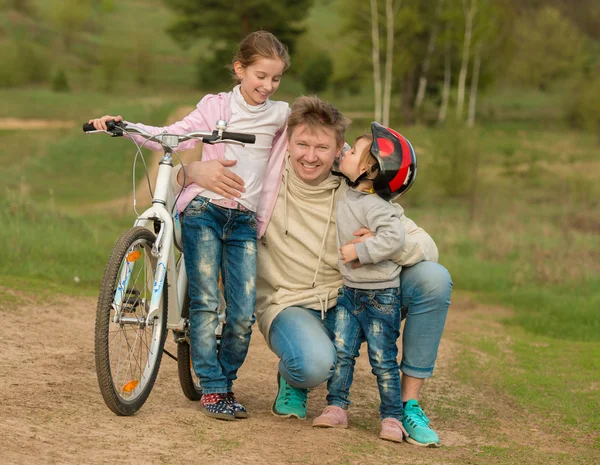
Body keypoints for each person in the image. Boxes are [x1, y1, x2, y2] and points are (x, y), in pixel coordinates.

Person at [174, 96, 452, 446]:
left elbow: (425, 244)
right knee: (314, 365)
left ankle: (409, 404)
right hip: (287, 303)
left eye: (322, 147)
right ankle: (294, 375)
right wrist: (189, 172)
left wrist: (380, 246)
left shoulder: (357, 190)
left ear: (340, 150)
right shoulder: (265, 180)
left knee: (433, 279)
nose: (310, 155)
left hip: (349, 300)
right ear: (287, 143)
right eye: (301, 144)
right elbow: (186, 197)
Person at [88, 31, 292, 421]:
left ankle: (224, 380)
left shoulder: (279, 114)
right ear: (239, 69)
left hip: (245, 221)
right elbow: (174, 136)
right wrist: (123, 125)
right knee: (206, 302)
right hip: (205, 212)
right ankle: (214, 390)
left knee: (243, 312)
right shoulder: (215, 107)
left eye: (276, 78)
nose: (267, 86)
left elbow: (309, 134)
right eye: (260, 76)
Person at [311, 124, 416, 444]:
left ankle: (392, 417)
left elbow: (394, 240)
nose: (347, 154)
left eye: (354, 152)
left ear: (369, 169)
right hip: (350, 292)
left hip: (381, 295)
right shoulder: (348, 187)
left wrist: (360, 251)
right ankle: (336, 406)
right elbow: (336, 159)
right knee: (341, 351)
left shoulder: (379, 207)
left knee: (383, 359)